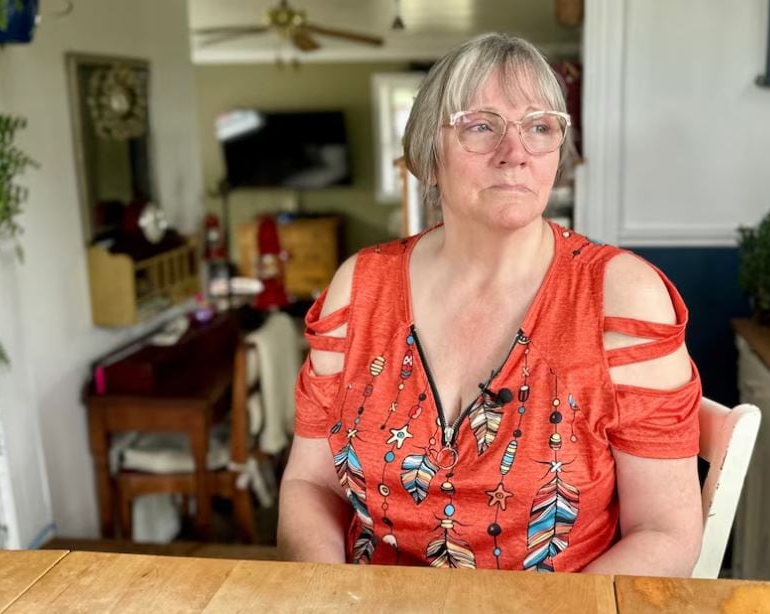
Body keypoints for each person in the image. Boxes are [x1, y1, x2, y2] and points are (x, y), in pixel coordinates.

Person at [278, 33, 703, 575]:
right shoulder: (359, 288)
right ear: (429, 156)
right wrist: (326, 596)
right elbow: (310, 483)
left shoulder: (620, 298)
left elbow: (665, 532)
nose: (515, 152)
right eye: (481, 125)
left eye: (539, 127)